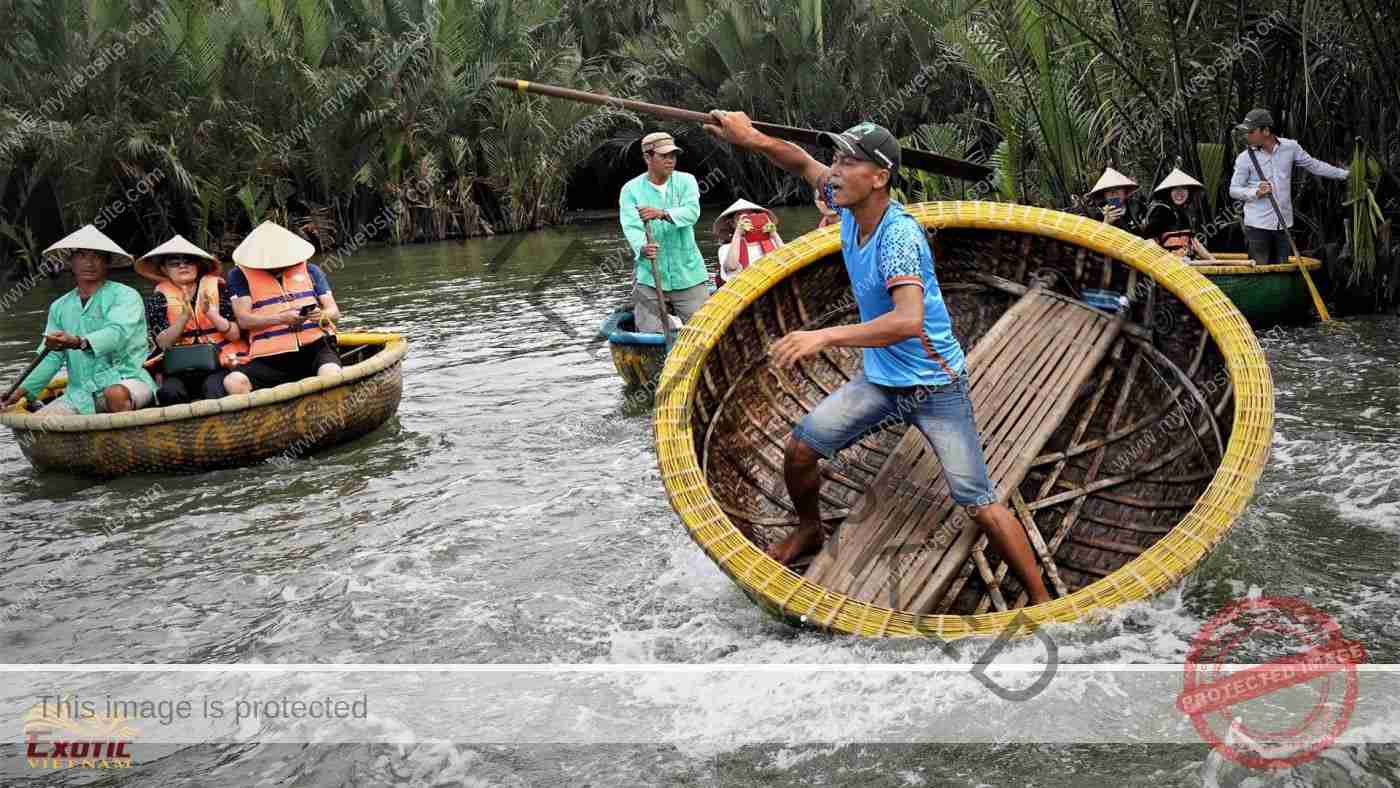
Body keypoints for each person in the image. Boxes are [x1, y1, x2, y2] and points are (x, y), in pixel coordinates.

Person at [704, 113, 1053, 605]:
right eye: (837, 160)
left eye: (849, 162)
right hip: (883, 380)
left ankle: (1044, 603)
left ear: (880, 177)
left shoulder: (898, 238)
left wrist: (822, 337)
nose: (835, 171)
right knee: (801, 449)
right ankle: (810, 530)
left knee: (978, 502)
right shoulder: (847, 204)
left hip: (935, 385)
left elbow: (908, 320)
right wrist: (750, 137)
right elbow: (800, 160)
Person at [1, 225, 156, 416]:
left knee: (114, 394)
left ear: (106, 262)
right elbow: (51, 356)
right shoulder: (59, 306)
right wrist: (17, 392)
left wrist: (77, 342)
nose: (89, 263)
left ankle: (128, 442)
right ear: (71, 261)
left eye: (97, 256)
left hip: (128, 380)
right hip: (79, 394)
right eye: (81, 255)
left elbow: (117, 334)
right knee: (41, 421)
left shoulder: (126, 296)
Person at [226, 221, 342, 390]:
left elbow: (334, 311)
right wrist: (281, 319)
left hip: (315, 349)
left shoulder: (311, 270)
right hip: (271, 357)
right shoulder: (238, 275)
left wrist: (321, 314)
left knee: (330, 372)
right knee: (234, 381)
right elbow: (244, 320)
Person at [1228, 108, 1350, 265]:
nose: (1247, 136)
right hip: (1257, 226)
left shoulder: (1290, 147)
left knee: (1282, 271)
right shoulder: (1244, 158)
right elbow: (1234, 190)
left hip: (1284, 224)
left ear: (1266, 131)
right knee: (1259, 273)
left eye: (1251, 131)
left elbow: (1314, 165)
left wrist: (1345, 174)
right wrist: (1255, 192)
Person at [137, 235, 249, 405]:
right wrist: (183, 319)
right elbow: (162, 343)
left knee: (213, 387)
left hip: (220, 363)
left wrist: (211, 313)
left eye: (188, 261)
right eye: (174, 263)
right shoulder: (158, 298)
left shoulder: (218, 287)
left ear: (198, 266)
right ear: (164, 270)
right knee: (169, 392)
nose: (182, 265)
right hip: (179, 368)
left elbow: (234, 335)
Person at [619, 132, 710, 333]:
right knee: (651, 333)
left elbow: (692, 213)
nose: (671, 160)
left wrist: (663, 214)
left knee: (704, 331)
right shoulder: (631, 190)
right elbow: (631, 227)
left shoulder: (686, 181)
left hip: (688, 273)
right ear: (647, 158)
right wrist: (642, 248)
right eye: (664, 156)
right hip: (650, 275)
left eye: (673, 156)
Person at [1145, 168, 1216, 262]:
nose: (1179, 193)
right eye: (1175, 189)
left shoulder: (1184, 212)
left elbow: (1194, 242)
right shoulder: (1161, 211)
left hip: (1185, 264)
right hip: (1167, 267)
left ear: (1189, 192)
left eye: (1183, 188)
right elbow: (1149, 242)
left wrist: (1213, 260)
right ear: (1169, 192)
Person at [714, 199, 784, 287]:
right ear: (732, 223)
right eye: (741, 216)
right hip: (744, 291)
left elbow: (787, 260)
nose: (747, 218)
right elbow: (732, 266)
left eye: (751, 215)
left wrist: (774, 234)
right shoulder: (726, 248)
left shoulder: (772, 242)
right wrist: (738, 233)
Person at [1086, 167, 1148, 236]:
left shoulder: (1137, 205)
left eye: (1118, 188)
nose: (1113, 193)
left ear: (1125, 191)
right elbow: (1095, 239)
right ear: (1104, 195)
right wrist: (1106, 223)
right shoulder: (1098, 214)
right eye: (1108, 190)